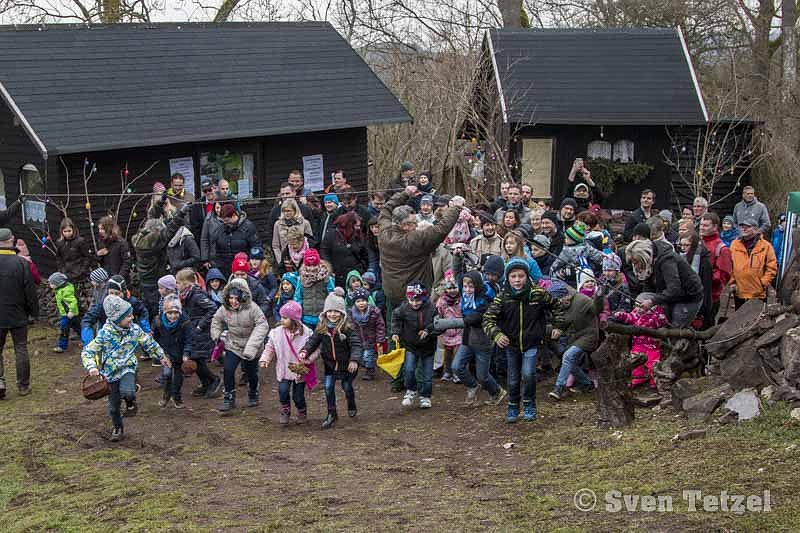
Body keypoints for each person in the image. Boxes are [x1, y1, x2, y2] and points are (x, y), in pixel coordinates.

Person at [483, 259, 562, 423]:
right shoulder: (502, 298)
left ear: (527, 276)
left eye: (521, 276)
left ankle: (529, 405)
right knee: (513, 378)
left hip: (532, 343)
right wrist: (497, 335)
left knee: (528, 374)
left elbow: (557, 306)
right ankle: (513, 405)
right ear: (508, 278)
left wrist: (557, 325)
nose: (517, 280)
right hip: (511, 344)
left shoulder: (537, 294)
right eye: (513, 276)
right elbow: (488, 319)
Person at [81, 294, 169, 442]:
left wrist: (161, 356)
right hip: (110, 373)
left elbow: (148, 342)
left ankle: (130, 401)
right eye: (128, 316)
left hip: (128, 367)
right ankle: (117, 428)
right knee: (113, 407)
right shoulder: (105, 334)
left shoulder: (135, 330)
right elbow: (88, 351)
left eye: (131, 314)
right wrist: (92, 367)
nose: (132, 318)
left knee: (128, 391)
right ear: (117, 319)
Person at [378, 186, 461, 314]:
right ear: (404, 226)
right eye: (413, 223)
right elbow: (441, 229)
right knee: (418, 330)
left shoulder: (384, 232)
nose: (417, 225)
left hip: (391, 293)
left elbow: (386, 210)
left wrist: (405, 193)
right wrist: (456, 207)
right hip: (414, 296)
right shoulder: (413, 240)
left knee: (395, 328)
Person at [299, 288, 361, 429]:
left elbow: (356, 345)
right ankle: (331, 413)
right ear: (325, 313)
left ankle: (351, 402)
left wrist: (354, 360)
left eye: (336, 311)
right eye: (330, 311)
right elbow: (313, 341)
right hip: (330, 364)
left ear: (342, 313)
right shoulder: (322, 327)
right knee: (328, 387)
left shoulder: (348, 328)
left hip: (347, 364)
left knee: (346, 386)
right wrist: (305, 351)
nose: (333, 314)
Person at [211, 277, 270, 413]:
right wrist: (216, 335)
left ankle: (253, 392)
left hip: (251, 345)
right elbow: (216, 320)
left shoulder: (253, 308)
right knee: (228, 369)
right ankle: (229, 397)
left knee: (251, 372)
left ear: (243, 297)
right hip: (234, 344)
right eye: (230, 298)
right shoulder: (225, 308)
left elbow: (262, 325)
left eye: (236, 298)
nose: (233, 301)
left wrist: (252, 346)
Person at [452, 271, 506, 406]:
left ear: (477, 286)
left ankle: (497, 392)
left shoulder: (485, 299)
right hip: (468, 339)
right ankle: (472, 386)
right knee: (457, 366)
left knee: (483, 376)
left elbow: (477, 316)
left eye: (471, 286)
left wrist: (461, 321)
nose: (467, 289)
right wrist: (458, 256)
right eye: (465, 286)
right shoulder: (465, 297)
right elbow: (457, 273)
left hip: (483, 341)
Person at [625, 239, 704, 327]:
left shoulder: (667, 261)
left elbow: (674, 289)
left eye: (636, 262)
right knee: (642, 298)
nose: (635, 266)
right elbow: (649, 285)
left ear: (644, 257)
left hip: (688, 298)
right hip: (669, 293)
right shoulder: (651, 261)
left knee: (675, 327)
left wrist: (652, 301)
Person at [259, 300, 315, 425]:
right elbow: (270, 347)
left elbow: (315, 349)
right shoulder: (276, 333)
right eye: (281, 317)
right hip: (284, 369)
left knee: (298, 395)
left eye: (285, 318)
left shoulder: (306, 334)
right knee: (283, 391)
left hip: (299, 371)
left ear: (294, 319)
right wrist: (265, 359)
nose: (282, 320)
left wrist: (307, 359)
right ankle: (285, 410)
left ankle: (302, 411)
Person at [0, 228, 38, 398]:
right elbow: (30, 291)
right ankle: (23, 385)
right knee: (20, 348)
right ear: (11, 240)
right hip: (17, 313)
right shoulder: (22, 263)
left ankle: (0, 382)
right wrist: (33, 313)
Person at [176, 268, 223, 399]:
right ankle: (206, 383)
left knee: (198, 359)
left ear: (186, 283)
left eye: (178, 282)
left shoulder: (197, 295)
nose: (176, 285)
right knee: (196, 359)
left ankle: (213, 380)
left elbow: (212, 308)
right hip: (192, 331)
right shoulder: (185, 296)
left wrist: (200, 325)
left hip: (200, 333)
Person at [547, 280, 597, 401]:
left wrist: (600, 297)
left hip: (588, 335)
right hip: (573, 337)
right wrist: (556, 328)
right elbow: (561, 322)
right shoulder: (559, 306)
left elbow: (598, 309)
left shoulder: (583, 301)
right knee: (570, 361)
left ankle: (559, 387)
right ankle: (587, 383)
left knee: (568, 356)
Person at [393, 281, 438, 409]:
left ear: (424, 298)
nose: (414, 303)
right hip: (411, 345)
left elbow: (437, 324)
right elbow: (396, 317)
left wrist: (428, 331)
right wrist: (396, 332)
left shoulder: (431, 308)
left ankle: (425, 396)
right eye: (411, 299)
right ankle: (411, 390)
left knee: (427, 375)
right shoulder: (404, 308)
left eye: (417, 300)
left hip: (428, 347)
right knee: (409, 369)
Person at [611, 293, 668, 389]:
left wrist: (657, 316)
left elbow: (661, 322)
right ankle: (638, 377)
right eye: (637, 306)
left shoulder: (655, 315)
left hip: (652, 345)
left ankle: (654, 380)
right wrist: (621, 315)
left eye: (641, 306)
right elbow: (629, 317)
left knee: (652, 363)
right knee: (636, 362)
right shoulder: (635, 314)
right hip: (638, 344)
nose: (638, 308)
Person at [81, 275, 151, 344]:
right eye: (111, 293)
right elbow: (87, 320)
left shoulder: (131, 302)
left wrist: (146, 329)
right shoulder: (103, 305)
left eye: (117, 293)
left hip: (128, 340)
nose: (113, 296)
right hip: (108, 341)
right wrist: (88, 342)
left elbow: (142, 312)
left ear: (123, 292)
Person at [729, 216, 778, 309]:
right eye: (742, 226)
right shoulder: (734, 245)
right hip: (739, 291)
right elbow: (729, 265)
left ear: (756, 229)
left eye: (748, 226)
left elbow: (772, 267)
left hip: (758, 293)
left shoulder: (766, 246)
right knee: (739, 319)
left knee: (756, 320)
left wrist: (763, 283)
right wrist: (732, 282)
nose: (744, 228)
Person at [153, 294, 192, 409]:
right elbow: (154, 338)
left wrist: (186, 353)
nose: (173, 316)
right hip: (166, 353)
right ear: (165, 312)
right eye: (170, 313)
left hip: (180, 352)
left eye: (176, 312)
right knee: (167, 374)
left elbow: (189, 339)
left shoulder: (185, 322)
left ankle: (177, 396)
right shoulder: (158, 322)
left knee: (178, 375)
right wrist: (158, 353)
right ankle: (166, 394)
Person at [132, 217, 169, 321]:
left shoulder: (139, 241)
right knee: (157, 308)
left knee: (147, 308)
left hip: (143, 279)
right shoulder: (155, 245)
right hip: (155, 279)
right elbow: (168, 234)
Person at [699, 213, 733, 327]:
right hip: (695, 294)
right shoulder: (697, 243)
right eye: (701, 224)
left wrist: (705, 279)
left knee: (706, 327)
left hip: (711, 297)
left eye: (706, 225)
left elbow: (724, 275)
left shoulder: (722, 249)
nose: (702, 228)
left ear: (715, 227)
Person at [320, 211, 369, 288]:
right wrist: (329, 269)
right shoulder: (331, 234)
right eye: (356, 226)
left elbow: (364, 254)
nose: (359, 228)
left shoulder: (358, 236)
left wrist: (361, 270)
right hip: (337, 275)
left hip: (355, 275)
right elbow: (324, 253)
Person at [212, 203, 262, 278]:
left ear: (234, 215)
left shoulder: (248, 227)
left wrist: (250, 264)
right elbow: (217, 249)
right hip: (225, 268)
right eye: (223, 221)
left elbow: (255, 247)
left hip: (243, 269)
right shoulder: (221, 229)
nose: (225, 222)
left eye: (227, 220)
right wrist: (218, 264)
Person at [55, 217, 94, 309]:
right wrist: (61, 270)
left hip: (80, 275)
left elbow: (87, 257)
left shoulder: (80, 241)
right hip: (66, 274)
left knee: (81, 300)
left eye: (69, 231)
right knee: (69, 299)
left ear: (73, 229)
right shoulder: (60, 242)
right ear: (61, 231)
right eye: (65, 231)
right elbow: (59, 258)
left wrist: (81, 270)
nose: (67, 233)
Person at [348, 287, 385, 381]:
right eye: (358, 301)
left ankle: (370, 371)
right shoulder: (351, 313)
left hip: (370, 338)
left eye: (363, 300)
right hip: (358, 338)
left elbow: (380, 325)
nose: (361, 303)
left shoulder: (374, 312)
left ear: (367, 301)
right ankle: (366, 364)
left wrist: (380, 339)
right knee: (361, 355)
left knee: (368, 355)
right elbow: (350, 326)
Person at [678, 230, 713, 329]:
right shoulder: (681, 259)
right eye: (681, 245)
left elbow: (706, 287)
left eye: (686, 245)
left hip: (700, 303)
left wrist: (702, 308)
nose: (683, 248)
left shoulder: (704, 263)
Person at [294, 249, 335, 328]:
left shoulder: (326, 277)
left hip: (322, 316)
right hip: (306, 317)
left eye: (314, 265)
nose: (312, 268)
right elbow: (298, 297)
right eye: (309, 265)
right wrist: (298, 313)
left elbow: (331, 295)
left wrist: (329, 311)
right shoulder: (301, 279)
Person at [272, 199, 313, 268]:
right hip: (286, 260)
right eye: (284, 211)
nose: (286, 213)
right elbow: (275, 246)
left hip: (303, 260)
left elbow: (310, 242)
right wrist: (280, 261)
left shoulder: (305, 223)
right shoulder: (278, 224)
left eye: (289, 211)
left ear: (295, 211)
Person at [436, 277, 463, 382]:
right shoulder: (442, 301)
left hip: (459, 330)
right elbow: (439, 313)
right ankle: (447, 371)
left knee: (458, 351)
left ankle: (457, 373)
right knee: (447, 352)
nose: (452, 290)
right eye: (449, 288)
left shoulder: (461, 300)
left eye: (454, 287)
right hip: (446, 331)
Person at [49, 272, 81, 353]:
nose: (49, 285)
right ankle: (86, 340)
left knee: (64, 329)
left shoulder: (66, 291)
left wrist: (71, 311)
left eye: (51, 283)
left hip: (68, 314)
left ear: (58, 283)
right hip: (67, 313)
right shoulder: (60, 289)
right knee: (78, 327)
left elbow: (73, 301)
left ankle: (62, 346)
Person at [96, 216, 131, 283]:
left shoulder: (122, 243)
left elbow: (127, 263)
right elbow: (102, 263)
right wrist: (99, 255)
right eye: (99, 229)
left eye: (102, 229)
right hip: (107, 280)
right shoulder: (101, 242)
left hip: (121, 281)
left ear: (109, 229)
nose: (100, 231)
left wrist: (118, 278)